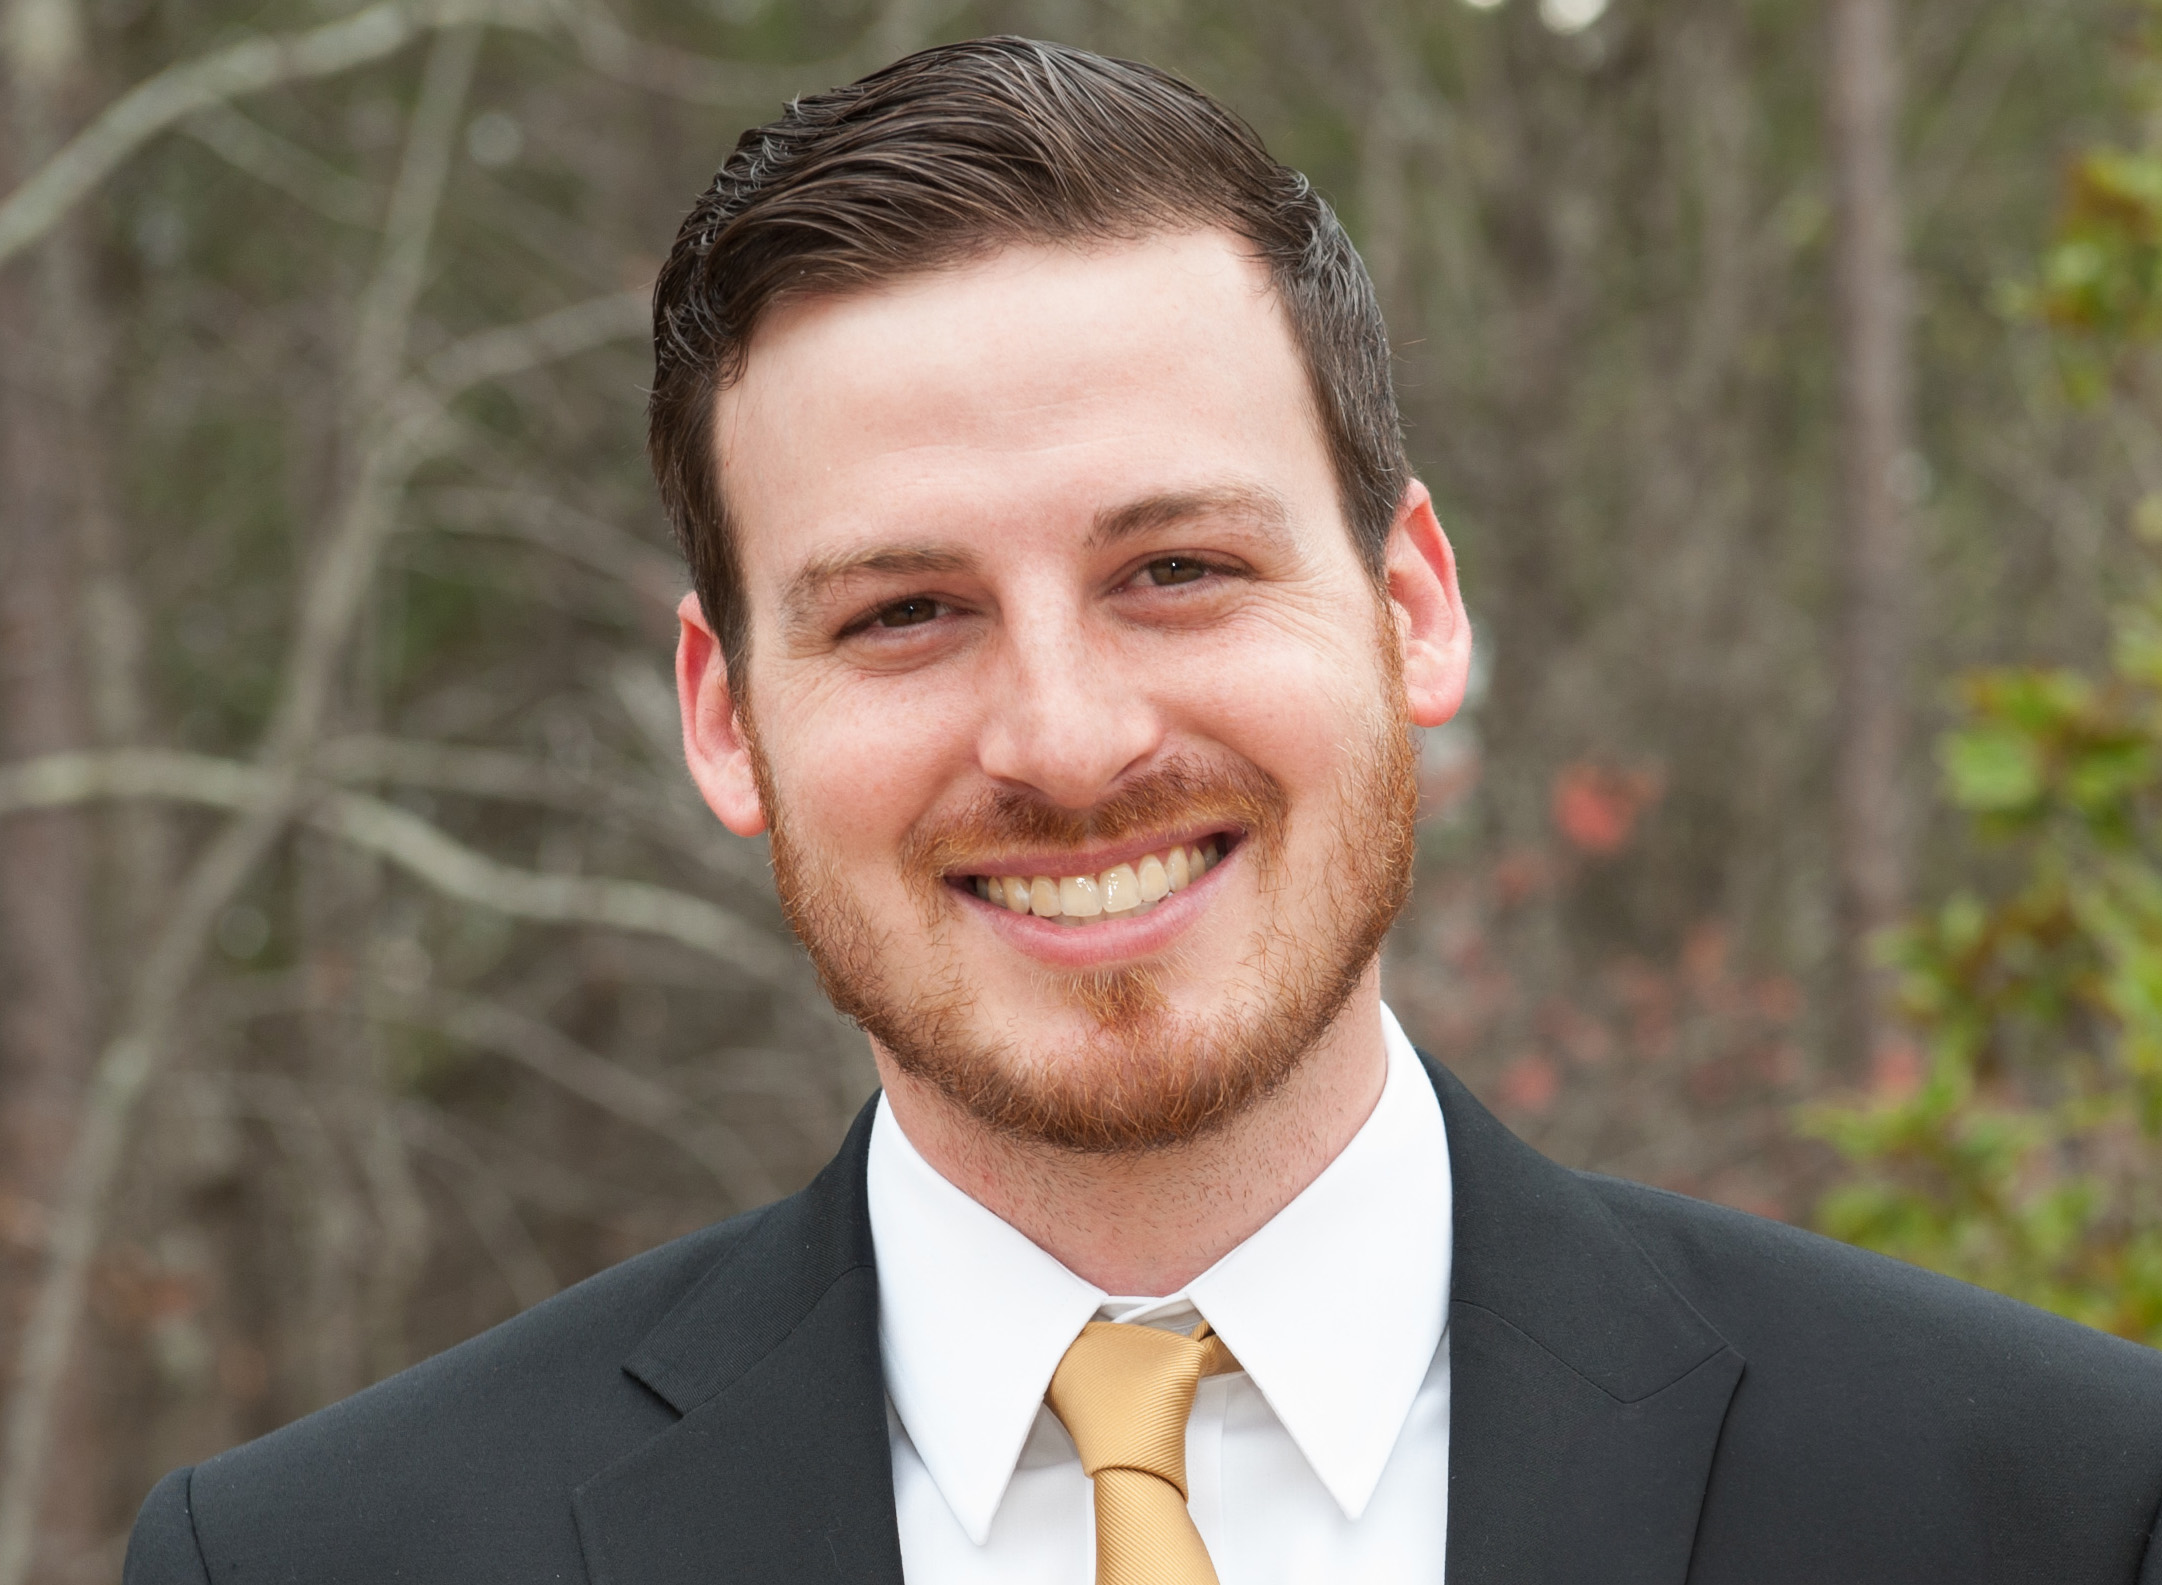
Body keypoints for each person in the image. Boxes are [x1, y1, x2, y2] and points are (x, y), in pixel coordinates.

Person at [125, 36, 2162, 1585]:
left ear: (1408, 610)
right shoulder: (321, 1554)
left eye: (1174, 567)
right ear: (724, 717)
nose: (1070, 738)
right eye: (905, 611)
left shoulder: (2049, 1503)